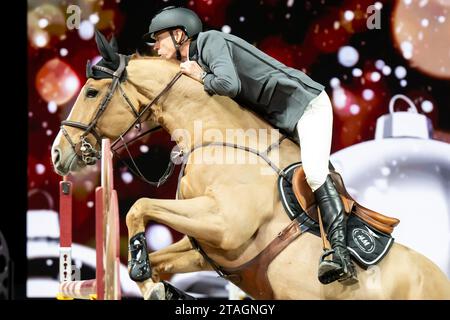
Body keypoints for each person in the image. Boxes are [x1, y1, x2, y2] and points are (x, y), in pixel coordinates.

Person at [142, 6, 357, 285]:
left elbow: (228, 85)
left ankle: (340, 252)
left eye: (159, 38)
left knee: (315, 173)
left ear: (180, 35)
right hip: (281, 119)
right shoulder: (196, 59)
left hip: (306, 106)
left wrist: (200, 76)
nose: (155, 46)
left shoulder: (209, 42)